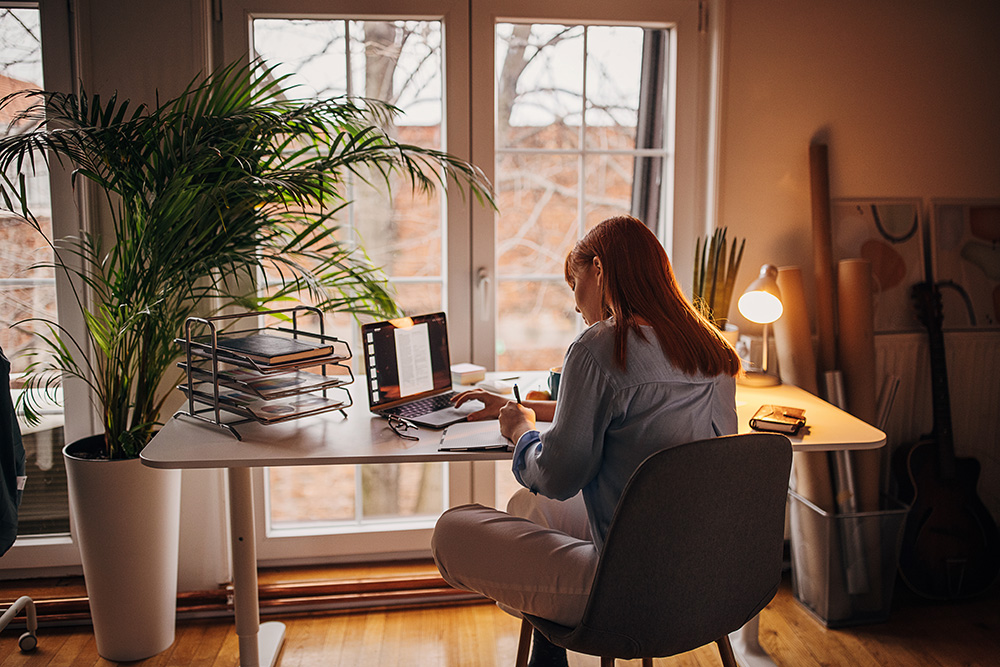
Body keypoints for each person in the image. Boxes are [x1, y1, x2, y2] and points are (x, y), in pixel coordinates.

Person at [431, 215, 742, 666]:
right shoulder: (710, 350)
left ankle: (550, 652)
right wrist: (524, 407)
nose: (576, 304)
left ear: (598, 270)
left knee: (451, 531)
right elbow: (630, 416)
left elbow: (558, 476)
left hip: (627, 591)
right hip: (710, 578)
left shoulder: (601, 345)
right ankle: (548, 658)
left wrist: (521, 432)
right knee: (530, 508)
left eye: (574, 283)